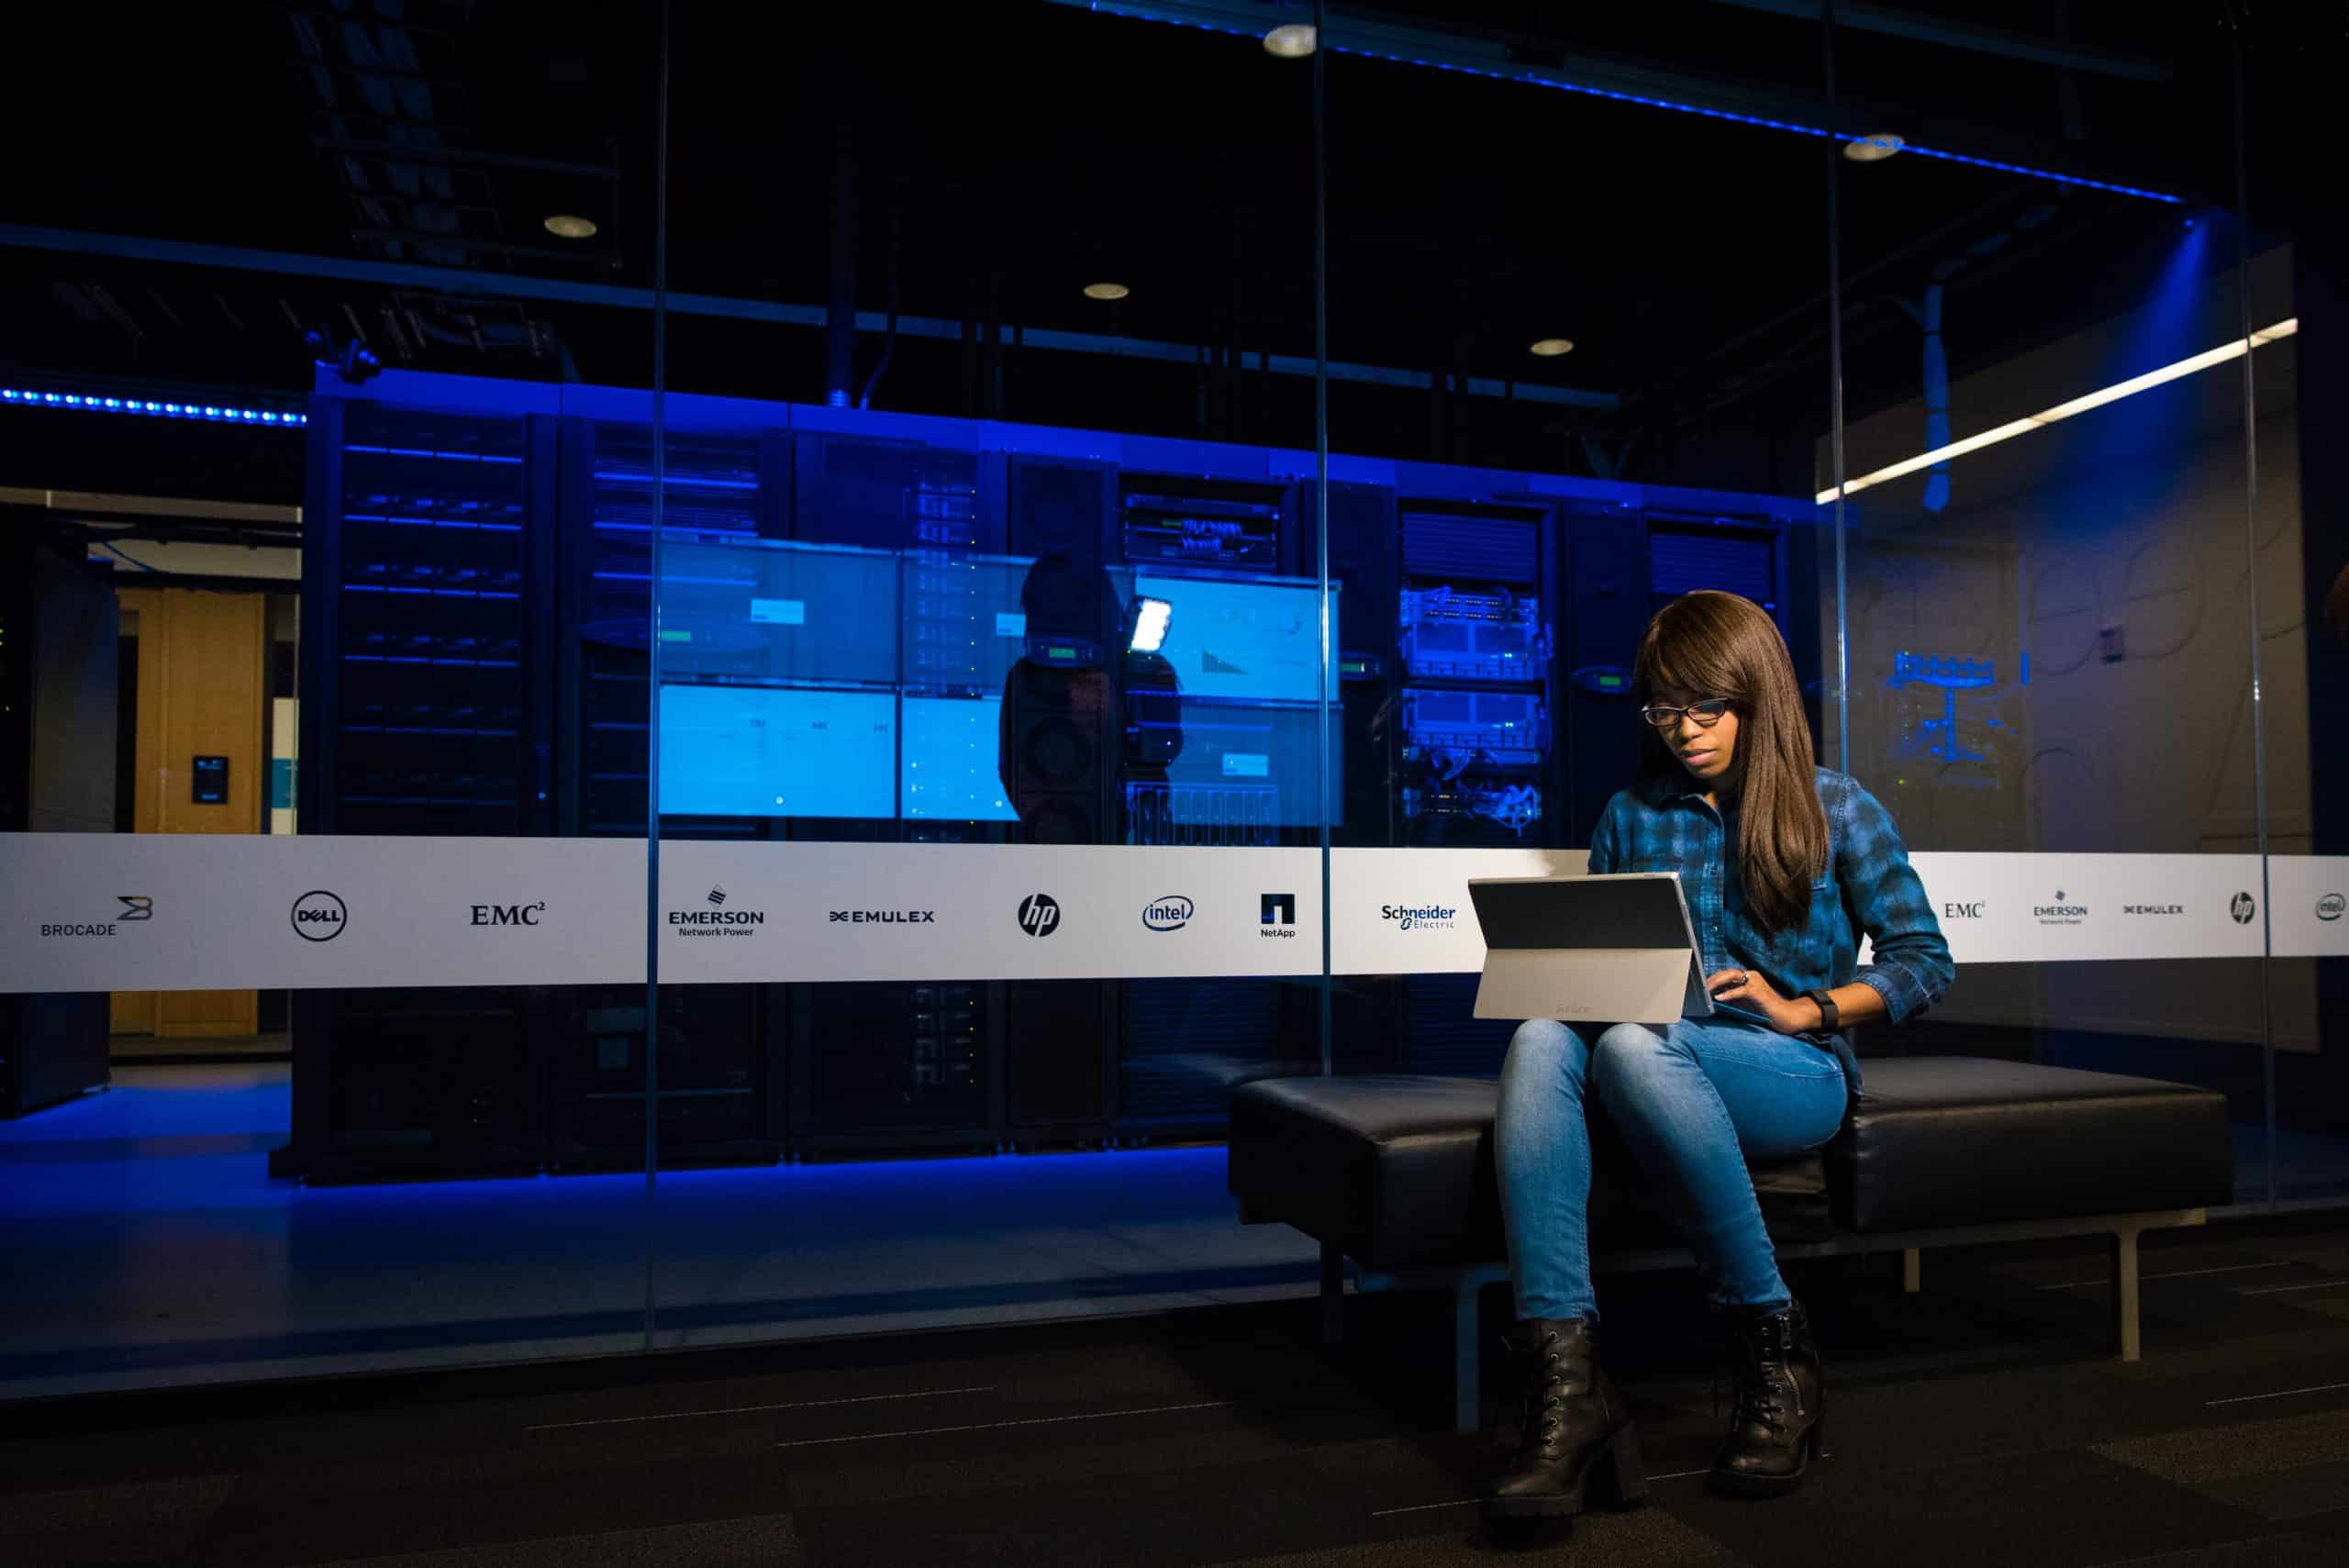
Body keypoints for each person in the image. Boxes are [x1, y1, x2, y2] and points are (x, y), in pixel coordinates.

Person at [1484, 589, 1953, 1523]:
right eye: (1663, 709)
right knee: (1544, 1031)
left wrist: (1803, 1006)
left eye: (1707, 707)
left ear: (1756, 697)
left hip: (1789, 1069)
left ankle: (1772, 1351)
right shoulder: (1632, 813)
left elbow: (1922, 960)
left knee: (1632, 1046)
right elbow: (1612, 970)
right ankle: (1566, 1391)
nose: (1684, 730)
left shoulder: (1836, 806)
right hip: (1647, 1051)